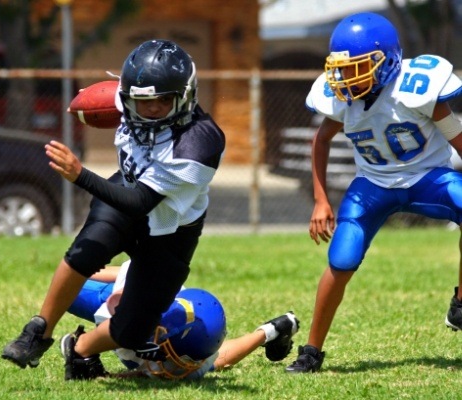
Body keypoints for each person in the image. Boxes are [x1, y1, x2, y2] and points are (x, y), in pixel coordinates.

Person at [1, 39, 227, 370]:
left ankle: (79, 349)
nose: (151, 109)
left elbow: (141, 203)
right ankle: (38, 331)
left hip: (170, 224)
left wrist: (81, 175)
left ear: (186, 96)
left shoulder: (200, 142)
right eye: (142, 101)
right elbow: (105, 103)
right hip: (127, 188)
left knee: (133, 330)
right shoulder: (126, 100)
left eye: (164, 100)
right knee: (86, 249)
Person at [285, 12, 462, 374]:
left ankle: (461, 301)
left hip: (429, 177)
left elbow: (458, 140)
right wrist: (321, 199)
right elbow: (320, 141)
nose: (346, 77)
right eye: (342, 69)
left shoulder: (418, 90)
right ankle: (311, 352)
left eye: (358, 67)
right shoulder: (342, 100)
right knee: (342, 259)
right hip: (374, 185)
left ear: (388, 61)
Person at [62, 259, 300, 380]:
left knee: (207, 366)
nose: (182, 364)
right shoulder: (145, 297)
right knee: (68, 288)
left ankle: (274, 330)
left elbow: (216, 359)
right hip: (119, 293)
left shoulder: (198, 349)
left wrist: (266, 333)